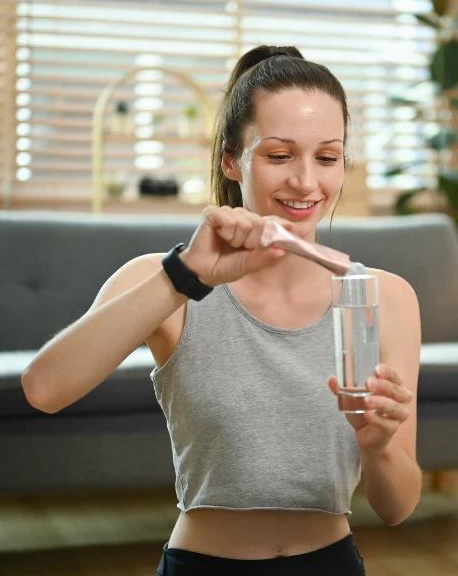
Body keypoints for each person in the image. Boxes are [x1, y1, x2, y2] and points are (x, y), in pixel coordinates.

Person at [21, 45, 422, 575]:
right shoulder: (166, 281)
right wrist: (186, 275)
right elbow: (44, 389)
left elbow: (397, 506)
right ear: (232, 159)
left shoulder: (384, 297)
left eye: (327, 157)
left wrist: (379, 446)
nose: (306, 181)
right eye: (279, 155)